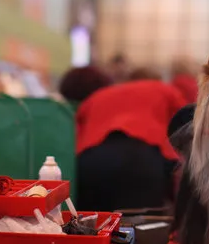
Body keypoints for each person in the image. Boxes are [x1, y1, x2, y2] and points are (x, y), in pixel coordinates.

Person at [74, 79, 187, 212]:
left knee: (92, 224)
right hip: (142, 156)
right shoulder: (165, 89)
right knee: (141, 225)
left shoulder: (96, 96)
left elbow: (78, 127)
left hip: (91, 159)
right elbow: (187, 124)